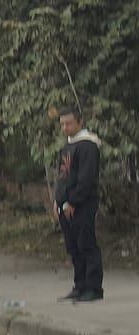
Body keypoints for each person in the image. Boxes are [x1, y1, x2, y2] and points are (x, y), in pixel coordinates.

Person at [55, 106, 103, 303]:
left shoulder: (88, 146)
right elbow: (62, 176)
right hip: (65, 206)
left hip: (82, 204)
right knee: (73, 246)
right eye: (62, 124)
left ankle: (93, 287)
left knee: (86, 244)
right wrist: (58, 202)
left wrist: (73, 201)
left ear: (79, 122)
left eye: (69, 123)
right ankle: (79, 284)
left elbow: (86, 178)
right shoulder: (67, 146)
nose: (65, 128)